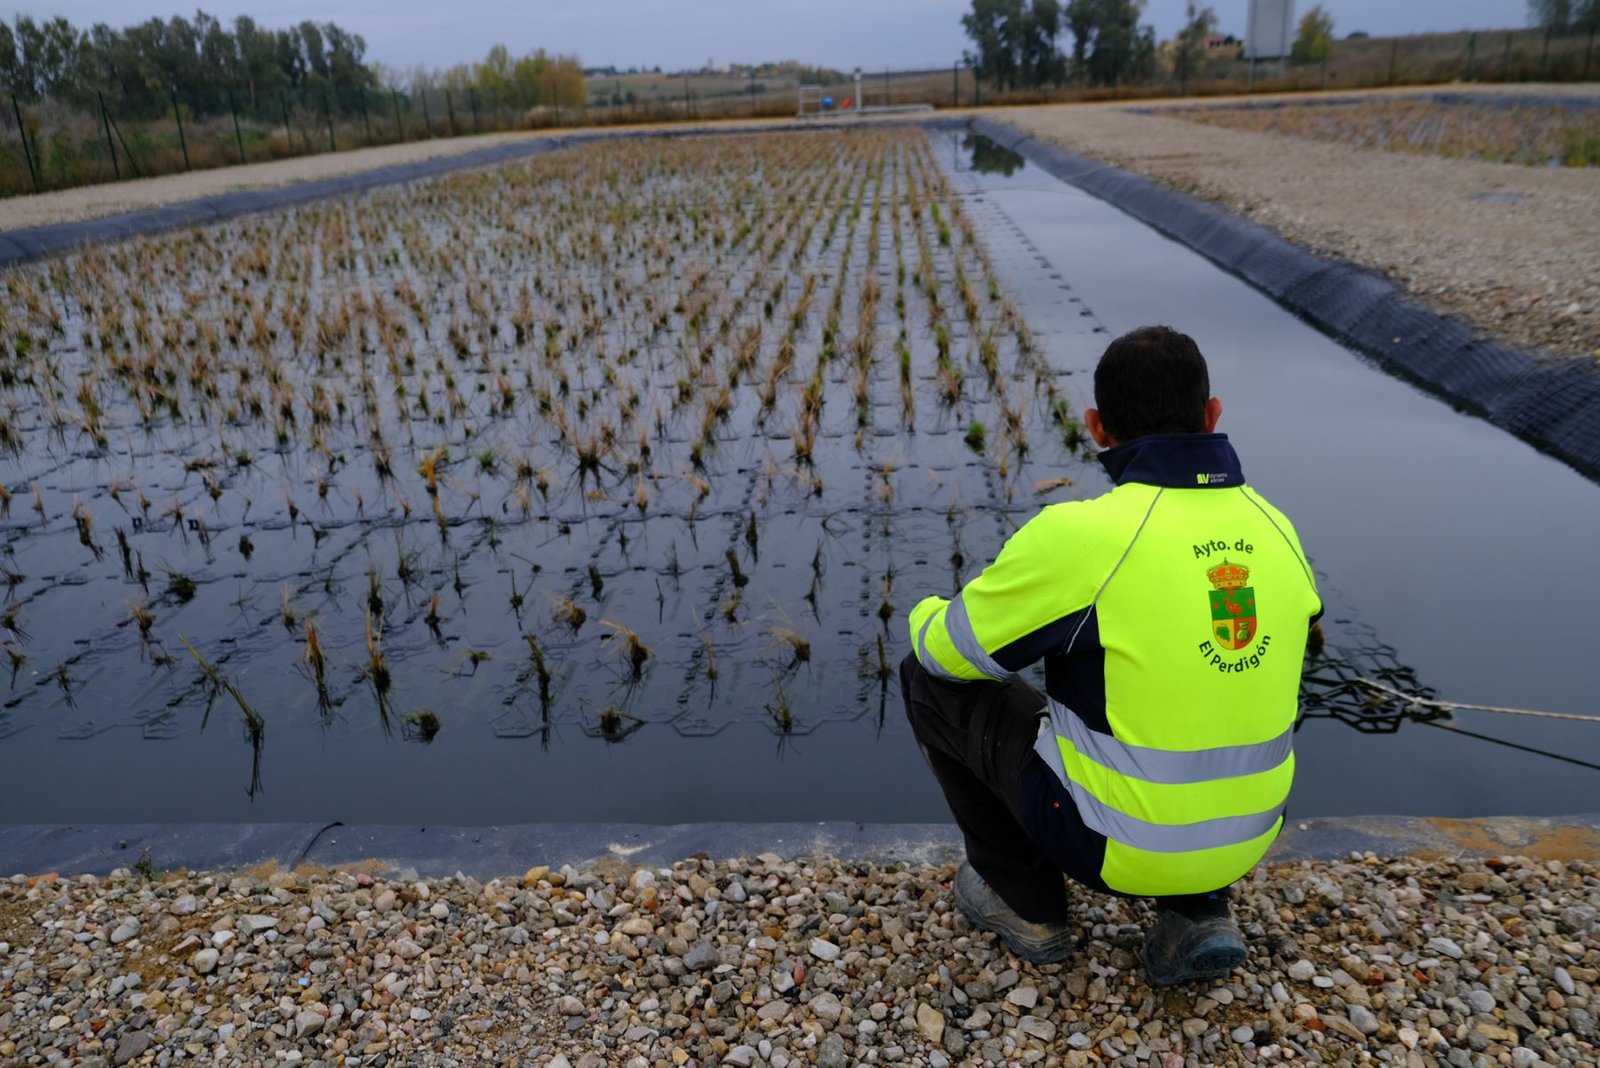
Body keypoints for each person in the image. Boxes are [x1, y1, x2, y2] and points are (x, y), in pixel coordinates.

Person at [902, 325, 1322, 985]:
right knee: (1202, 683)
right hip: (1250, 838)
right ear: (1213, 416)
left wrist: (927, 613)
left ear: (1098, 428)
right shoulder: (1276, 526)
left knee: (927, 681)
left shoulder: (1083, 537)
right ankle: (1199, 910)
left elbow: (949, 655)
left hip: (1108, 847)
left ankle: (1026, 904)